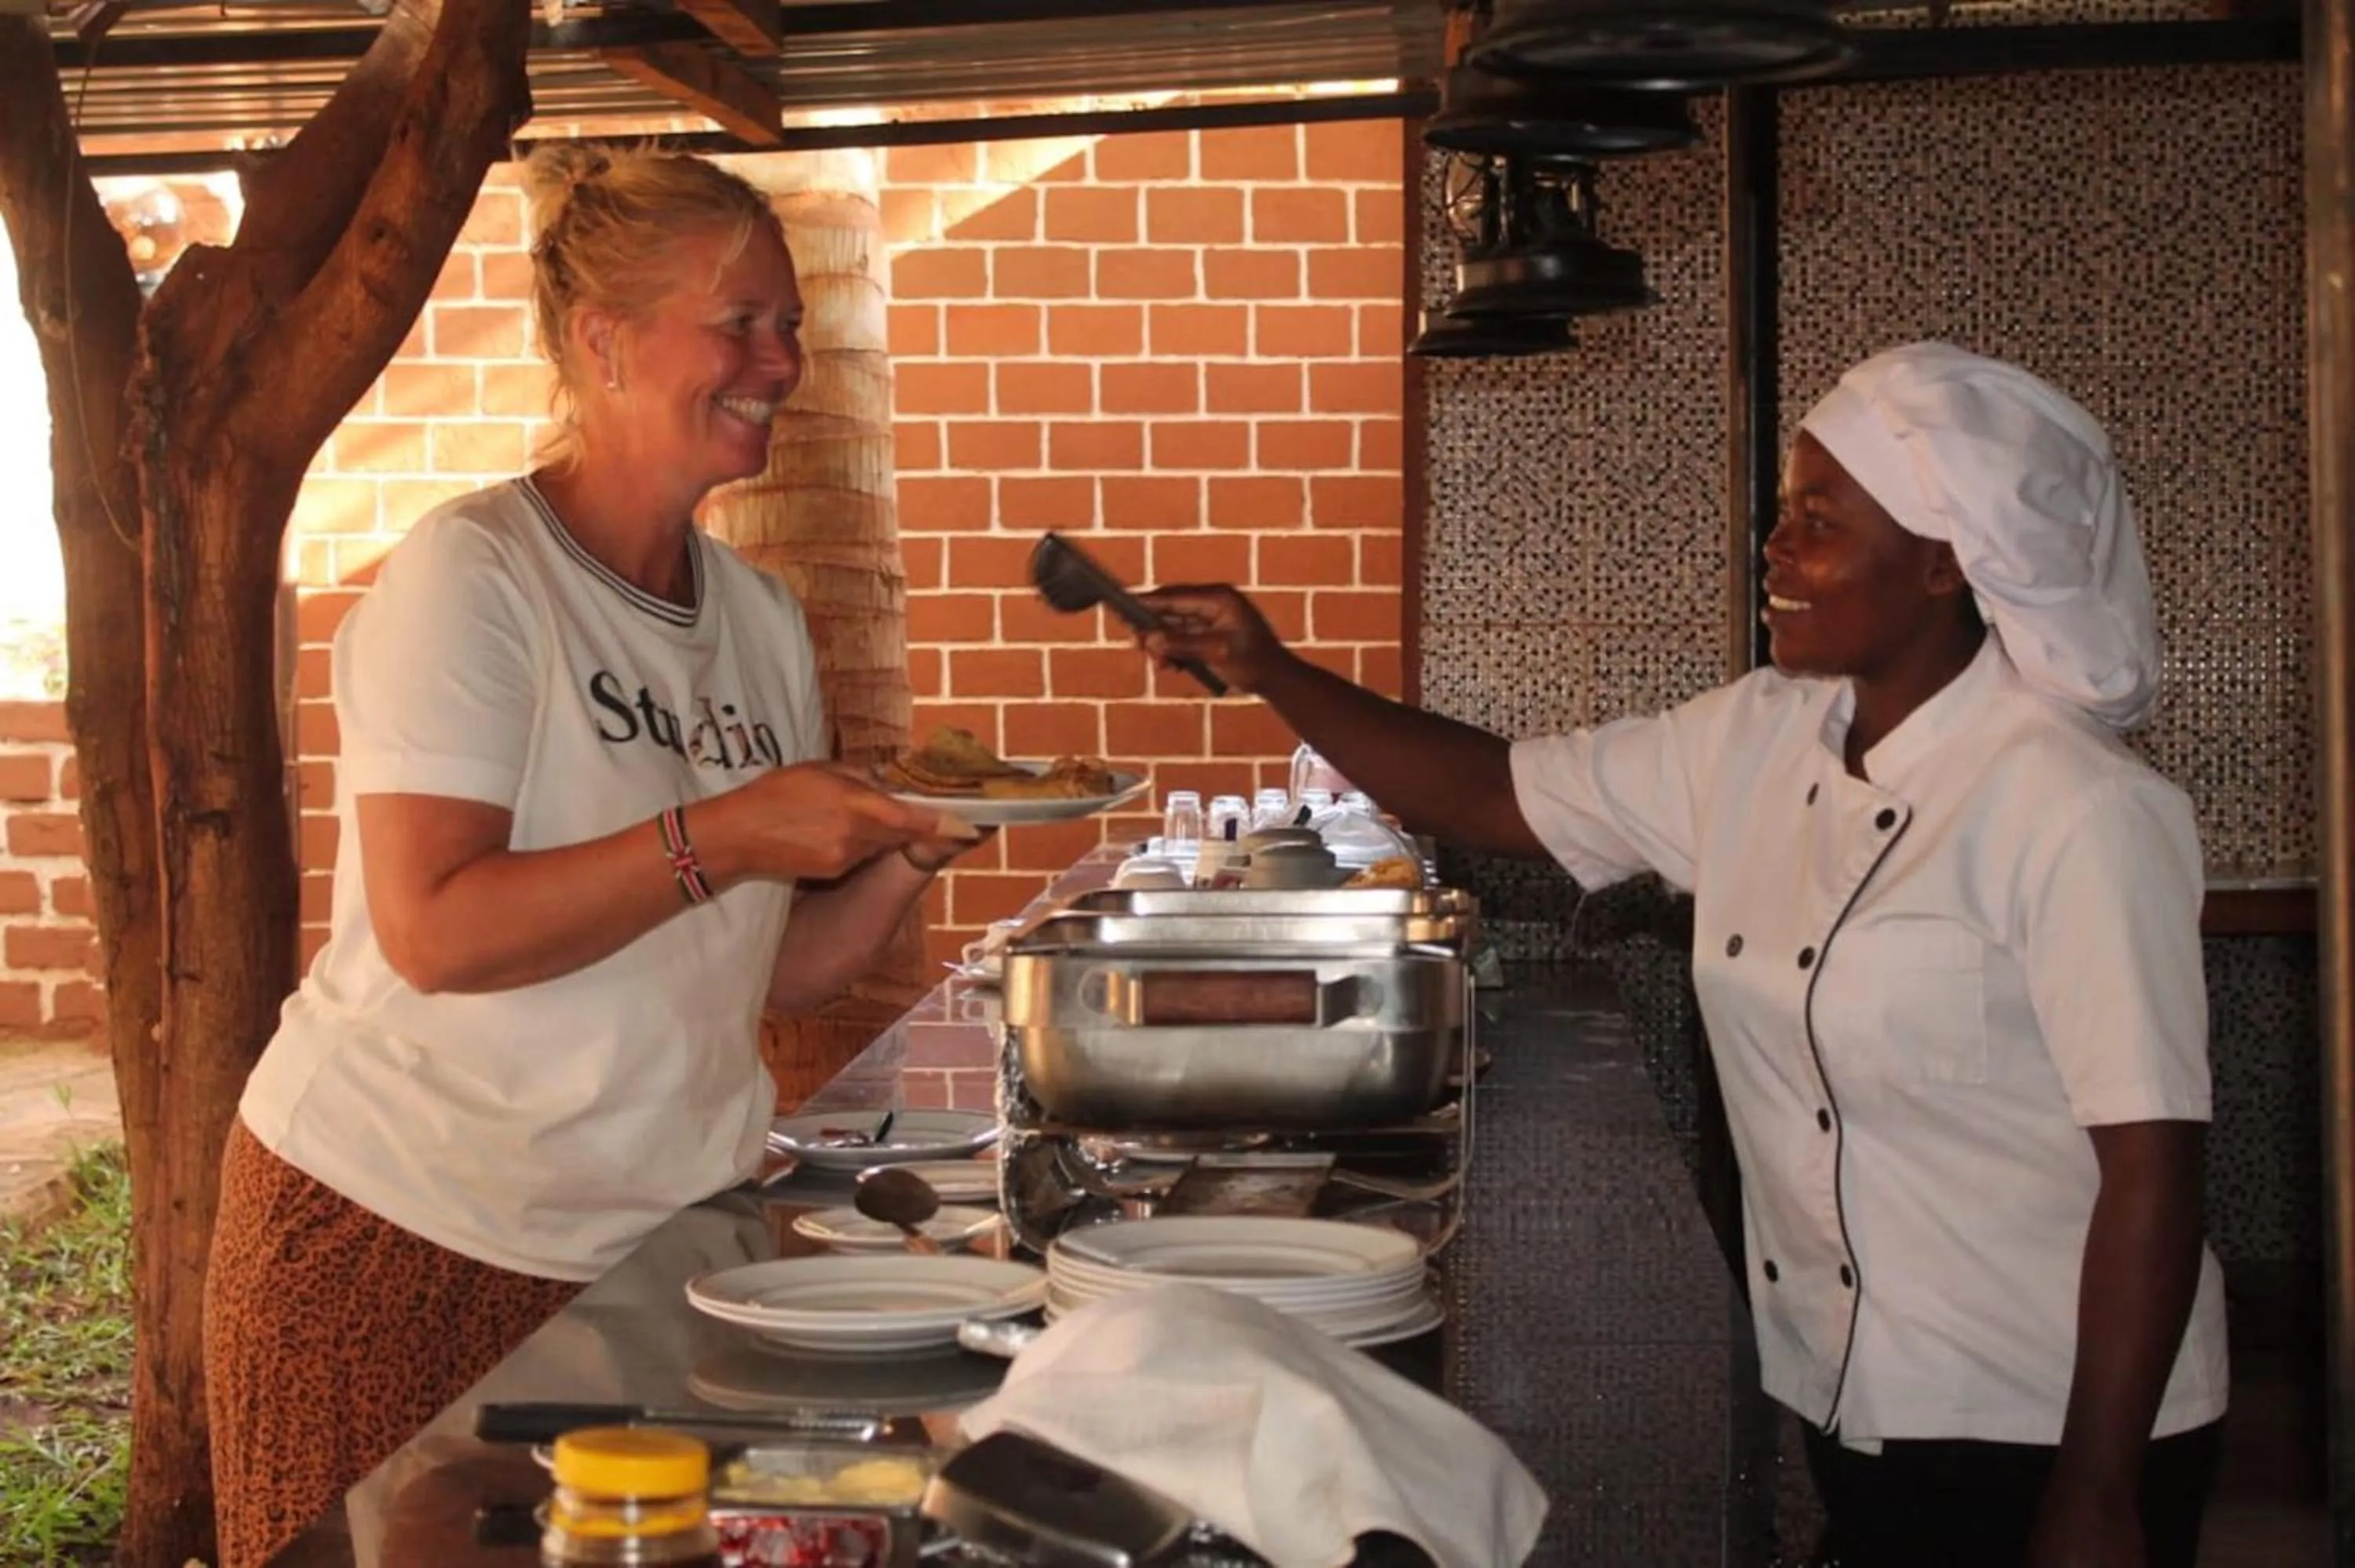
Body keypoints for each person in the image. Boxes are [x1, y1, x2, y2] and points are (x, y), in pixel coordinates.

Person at [1137, 342, 2228, 1568]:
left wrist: (2099, 1487)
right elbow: (1494, 790)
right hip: (1846, 1393)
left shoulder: (2079, 809)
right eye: (1782, 513)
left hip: (2047, 1420)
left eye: (1819, 521)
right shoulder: (1759, 739)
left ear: (1941, 563)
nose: (1776, 548)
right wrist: (1269, 669)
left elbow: (2151, 1165)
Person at [202, 145, 983, 1566]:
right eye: (738, 320)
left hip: (648, 1252)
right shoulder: (478, 578)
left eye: (791, 322)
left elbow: (772, 967)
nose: (780, 358)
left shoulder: (759, 619)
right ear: (601, 340)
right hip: (401, 1245)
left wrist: (913, 849)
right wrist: (730, 831)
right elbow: (437, 930)